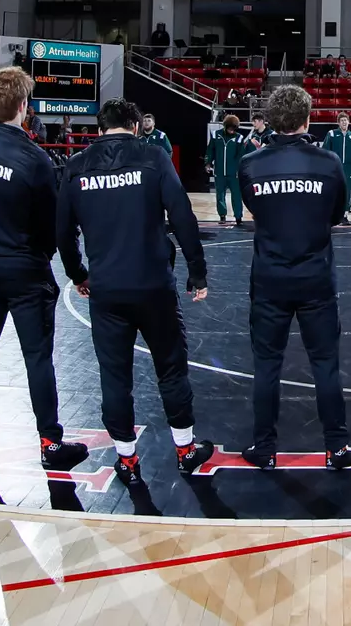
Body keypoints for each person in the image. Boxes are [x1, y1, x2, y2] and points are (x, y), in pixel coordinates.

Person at [56, 97, 214, 484]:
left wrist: (79, 275)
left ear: (98, 129)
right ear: (137, 126)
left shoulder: (76, 167)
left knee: (114, 376)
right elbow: (182, 215)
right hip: (153, 285)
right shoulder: (154, 158)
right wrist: (197, 271)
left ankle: (125, 459)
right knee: (171, 369)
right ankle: (185, 448)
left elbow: (61, 232)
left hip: (107, 290)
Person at [0, 67, 89, 473]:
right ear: (23, 106)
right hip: (26, 268)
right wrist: (75, 271)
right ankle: (50, 441)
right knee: (37, 358)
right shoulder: (34, 159)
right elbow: (53, 224)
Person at [236, 86, 351, 469]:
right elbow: (337, 213)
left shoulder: (251, 164)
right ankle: (336, 447)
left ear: (272, 121)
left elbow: (255, 208)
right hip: (315, 277)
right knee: (325, 364)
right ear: (308, 119)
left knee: (267, 366)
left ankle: (264, 448)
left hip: (270, 277)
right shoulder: (328, 163)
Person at [204, 114, 248, 228]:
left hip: (234, 174)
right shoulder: (215, 135)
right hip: (219, 172)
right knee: (220, 195)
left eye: (234, 128)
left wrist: (240, 169)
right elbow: (210, 150)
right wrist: (208, 163)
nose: (232, 131)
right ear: (225, 126)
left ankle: (238, 217)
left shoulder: (239, 138)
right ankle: (222, 216)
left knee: (236, 196)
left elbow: (241, 155)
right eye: (230, 128)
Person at [321, 112, 351, 225]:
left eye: (346, 120)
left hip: (348, 168)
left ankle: (344, 215)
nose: (344, 122)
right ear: (338, 123)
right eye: (342, 120)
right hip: (334, 167)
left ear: (349, 122)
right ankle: (332, 215)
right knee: (333, 190)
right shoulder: (332, 134)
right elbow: (325, 150)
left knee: (347, 191)